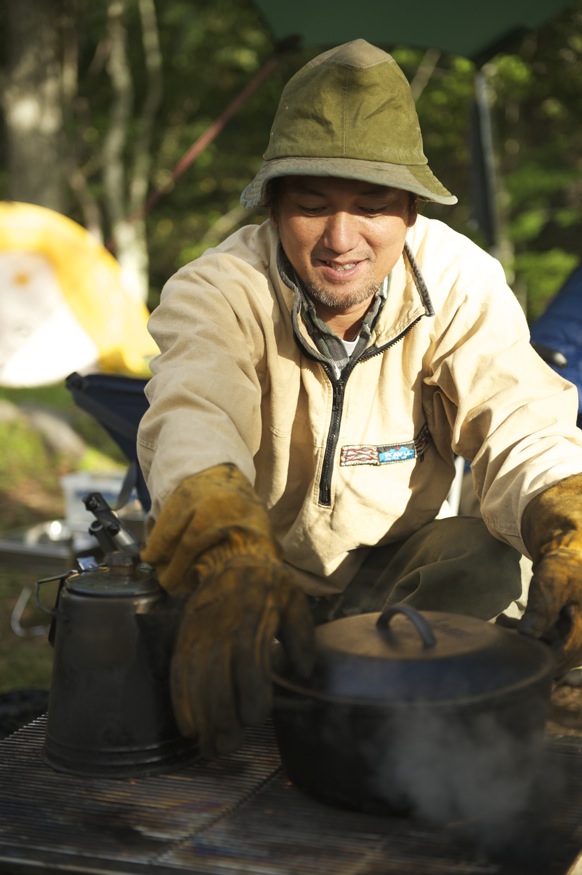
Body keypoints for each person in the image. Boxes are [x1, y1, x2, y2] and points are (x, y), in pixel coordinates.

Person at [138, 39, 582, 757]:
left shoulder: (460, 281)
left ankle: (415, 738)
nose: (341, 239)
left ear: (411, 212)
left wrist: (570, 520)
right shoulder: (216, 290)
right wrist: (229, 546)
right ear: (274, 206)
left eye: (372, 206)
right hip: (253, 579)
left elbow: (521, 421)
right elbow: (194, 419)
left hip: (396, 593)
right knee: (168, 696)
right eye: (312, 205)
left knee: (491, 556)